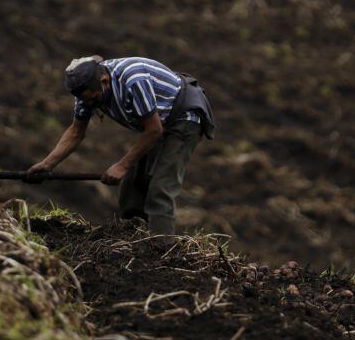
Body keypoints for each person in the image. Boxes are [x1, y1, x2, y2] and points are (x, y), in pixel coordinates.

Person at [28, 55, 216, 234]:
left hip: (184, 118)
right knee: (132, 186)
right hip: (158, 123)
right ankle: (134, 240)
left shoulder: (133, 80)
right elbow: (76, 131)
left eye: (93, 99)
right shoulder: (85, 92)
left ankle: (161, 246)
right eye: (85, 99)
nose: (89, 103)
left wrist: (122, 165)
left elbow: (153, 130)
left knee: (160, 189)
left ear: (104, 81)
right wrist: (47, 164)